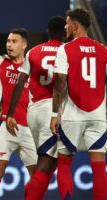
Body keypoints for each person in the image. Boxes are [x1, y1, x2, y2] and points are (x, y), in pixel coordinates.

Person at [6, 17, 66, 199]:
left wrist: (10, 114)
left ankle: (31, 194)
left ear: (48, 32)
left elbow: (20, 82)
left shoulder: (33, 51)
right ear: (65, 33)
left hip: (33, 112)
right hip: (54, 111)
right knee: (47, 163)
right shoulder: (67, 51)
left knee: (47, 163)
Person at [50, 8, 107, 200]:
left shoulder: (65, 49)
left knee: (64, 163)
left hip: (73, 115)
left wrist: (54, 114)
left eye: (67, 23)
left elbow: (60, 84)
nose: (65, 27)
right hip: (98, 115)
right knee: (99, 167)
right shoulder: (103, 50)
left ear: (75, 26)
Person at [0, 28, 37, 200]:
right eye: (8, 41)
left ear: (24, 45)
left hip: (28, 128)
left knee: (37, 176)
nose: (9, 45)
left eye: (14, 41)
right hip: (5, 125)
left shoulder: (33, 67)